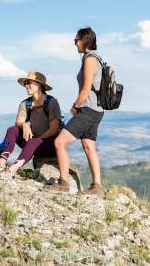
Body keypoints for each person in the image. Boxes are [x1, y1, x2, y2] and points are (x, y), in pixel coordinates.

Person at [44, 27, 105, 196]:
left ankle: (63, 182)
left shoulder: (90, 59)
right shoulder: (96, 58)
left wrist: (75, 106)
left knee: (59, 142)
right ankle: (97, 187)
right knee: (88, 146)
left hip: (88, 109)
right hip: (96, 110)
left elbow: (85, 90)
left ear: (84, 40)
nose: (75, 44)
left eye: (76, 40)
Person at [0, 71, 62, 180]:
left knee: (34, 141)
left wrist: (37, 139)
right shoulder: (26, 103)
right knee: (12, 130)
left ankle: (12, 170)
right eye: (26, 83)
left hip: (50, 145)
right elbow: (18, 121)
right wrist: (24, 125)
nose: (26, 86)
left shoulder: (51, 102)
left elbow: (53, 129)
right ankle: (1, 164)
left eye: (30, 83)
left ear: (40, 85)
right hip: (32, 143)